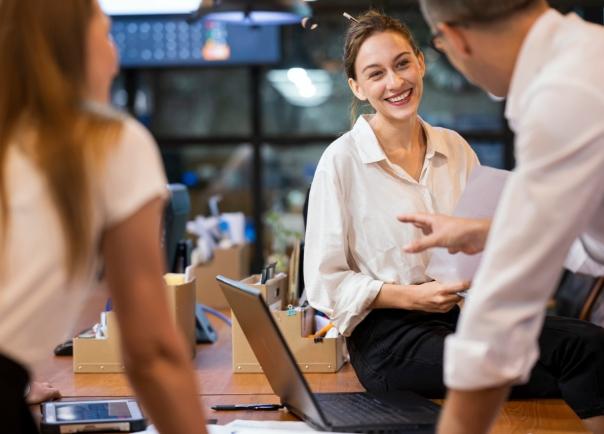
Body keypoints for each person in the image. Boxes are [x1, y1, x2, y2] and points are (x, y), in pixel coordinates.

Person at [304, 8, 604, 428]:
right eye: (375, 74)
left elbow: (528, 243)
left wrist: (480, 248)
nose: (395, 82)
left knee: (590, 344)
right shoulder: (340, 162)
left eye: (403, 63)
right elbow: (324, 282)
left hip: (459, 313)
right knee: (554, 364)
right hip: (389, 335)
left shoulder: (455, 146)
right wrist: (410, 296)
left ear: (423, 60)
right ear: (356, 87)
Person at [0, 1, 207, 433]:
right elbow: (151, 352)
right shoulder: (107, 143)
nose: (115, 59)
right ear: (69, 47)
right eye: (107, 34)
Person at [397, 0, 604, 433]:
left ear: (455, 39)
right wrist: (492, 231)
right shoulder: (588, 54)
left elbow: (506, 308)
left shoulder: (563, 95)